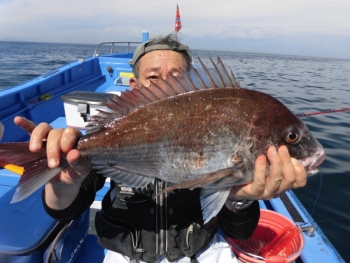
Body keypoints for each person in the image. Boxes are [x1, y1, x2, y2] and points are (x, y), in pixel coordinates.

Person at [14, 34, 307, 263]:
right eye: (153, 78)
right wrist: (63, 184)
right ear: (134, 86)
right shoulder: (114, 129)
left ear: (194, 87)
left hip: (203, 251)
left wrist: (240, 199)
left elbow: (239, 232)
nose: (165, 84)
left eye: (177, 77)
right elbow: (64, 209)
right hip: (126, 255)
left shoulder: (220, 124)